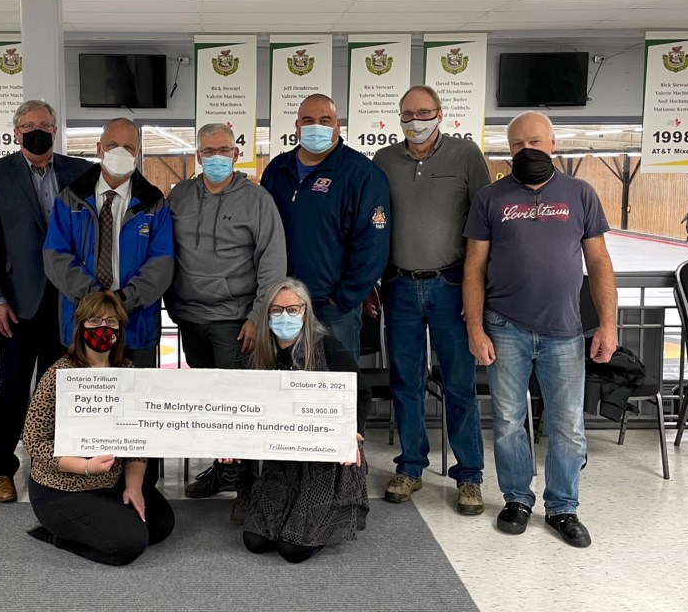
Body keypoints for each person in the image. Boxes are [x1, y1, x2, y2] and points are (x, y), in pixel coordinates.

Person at [463, 111, 617, 549]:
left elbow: (600, 262)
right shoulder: (490, 199)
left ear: (553, 144)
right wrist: (475, 328)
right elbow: (474, 267)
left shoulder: (580, 194)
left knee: (568, 425)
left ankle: (563, 506)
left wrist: (607, 324)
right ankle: (516, 499)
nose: (526, 150)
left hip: (565, 330)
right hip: (503, 326)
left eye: (534, 141)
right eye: (516, 145)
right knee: (509, 420)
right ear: (507, 150)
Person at [372, 84, 490, 515]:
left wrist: (480, 289)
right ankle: (411, 466)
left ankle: (470, 475)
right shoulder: (384, 161)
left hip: (452, 286)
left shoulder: (465, 156)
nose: (415, 120)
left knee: (458, 383)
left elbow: (485, 223)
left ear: (441, 114)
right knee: (406, 382)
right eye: (407, 113)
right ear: (398, 117)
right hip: (400, 286)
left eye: (424, 112)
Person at [0, 99, 92, 504]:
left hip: (69, 303)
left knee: (62, 390)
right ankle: (3, 469)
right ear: (16, 131)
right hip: (17, 307)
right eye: (28, 125)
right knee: (14, 390)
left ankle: (55, 465)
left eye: (44, 124)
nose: (36, 130)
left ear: (55, 131)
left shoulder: (82, 172)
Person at [44, 117, 174, 478]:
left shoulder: (154, 203)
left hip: (136, 327)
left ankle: (142, 484)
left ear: (139, 152)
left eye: (129, 147)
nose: (120, 153)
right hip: (84, 329)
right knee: (87, 413)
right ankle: (87, 484)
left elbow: (161, 264)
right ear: (98, 149)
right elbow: (55, 255)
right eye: (112, 145)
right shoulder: (69, 198)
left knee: (138, 412)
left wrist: (122, 304)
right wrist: (97, 306)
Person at [170, 123, 287, 519]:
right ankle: (224, 470)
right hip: (189, 317)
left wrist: (257, 317)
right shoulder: (180, 195)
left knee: (237, 404)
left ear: (236, 154)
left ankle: (247, 488)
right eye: (208, 151)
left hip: (234, 320)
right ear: (198, 155)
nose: (216, 157)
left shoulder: (257, 199)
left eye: (224, 149)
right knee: (209, 401)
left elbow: (272, 262)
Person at [23, 291, 174, 565]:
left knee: (162, 525)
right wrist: (85, 466)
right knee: (129, 545)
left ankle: (103, 518)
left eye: (111, 322)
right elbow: (33, 440)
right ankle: (55, 535)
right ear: (80, 326)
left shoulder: (127, 371)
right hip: (62, 487)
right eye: (94, 321)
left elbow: (138, 437)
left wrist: (133, 486)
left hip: (110, 482)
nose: (103, 328)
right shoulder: (59, 374)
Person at [241, 277, 370, 563]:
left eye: (292, 309)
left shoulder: (328, 348)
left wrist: (351, 433)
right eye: (276, 310)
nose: (284, 316)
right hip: (283, 462)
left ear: (305, 312)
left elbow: (361, 394)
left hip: (326, 461)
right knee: (255, 541)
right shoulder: (262, 354)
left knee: (292, 549)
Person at [261, 94, 390, 359]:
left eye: (324, 120)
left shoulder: (361, 173)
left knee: (336, 388)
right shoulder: (276, 170)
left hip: (333, 307)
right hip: (283, 305)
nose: (315, 126)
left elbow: (373, 244)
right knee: (284, 383)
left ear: (337, 125)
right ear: (296, 126)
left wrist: (343, 298)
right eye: (308, 120)